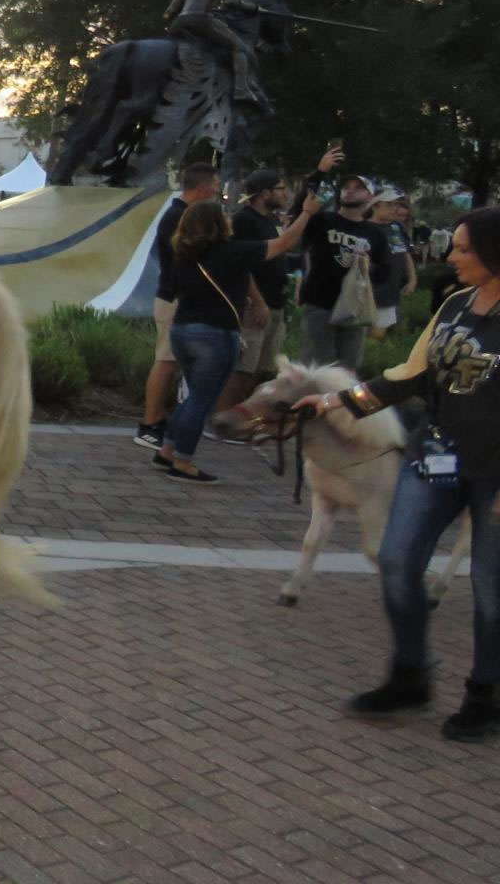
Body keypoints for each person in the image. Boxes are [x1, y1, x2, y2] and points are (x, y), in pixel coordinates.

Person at [296, 207, 500, 743]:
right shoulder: (455, 305)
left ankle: (485, 693)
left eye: (464, 248)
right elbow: (409, 375)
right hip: (437, 455)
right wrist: (337, 401)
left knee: (490, 588)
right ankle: (410, 676)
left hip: (496, 477)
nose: (451, 256)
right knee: (396, 559)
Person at [157, 190, 320, 481]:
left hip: (182, 330)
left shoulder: (182, 255)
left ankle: (167, 451)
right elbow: (284, 242)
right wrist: (307, 213)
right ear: (217, 224)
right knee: (202, 401)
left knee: (193, 396)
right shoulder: (231, 251)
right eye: (224, 214)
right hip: (216, 333)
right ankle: (182, 461)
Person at [135, 162, 222, 449]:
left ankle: (159, 418)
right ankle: (149, 424)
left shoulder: (183, 215)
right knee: (166, 360)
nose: (218, 191)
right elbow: (182, 261)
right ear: (204, 188)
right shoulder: (177, 217)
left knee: (171, 361)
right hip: (174, 298)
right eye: (216, 185)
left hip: (179, 297)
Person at [300, 147, 388, 369]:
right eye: (347, 187)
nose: (350, 191)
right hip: (321, 304)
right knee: (317, 366)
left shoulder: (375, 233)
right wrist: (320, 172)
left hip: (354, 309)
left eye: (358, 188)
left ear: (370, 197)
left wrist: (367, 265)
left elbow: (385, 272)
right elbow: (302, 204)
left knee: (347, 368)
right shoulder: (323, 221)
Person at [215, 169, 294, 415]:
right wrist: (256, 301)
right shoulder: (244, 220)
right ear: (264, 193)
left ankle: (240, 417)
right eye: (280, 188)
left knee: (260, 368)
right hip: (254, 305)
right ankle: (221, 416)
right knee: (243, 368)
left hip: (275, 302)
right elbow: (240, 265)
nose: (285, 194)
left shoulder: (269, 220)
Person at [367, 190, 417, 339]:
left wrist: (412, 279)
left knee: (380, 335)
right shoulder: (365, 228)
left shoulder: (397, 227)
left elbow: (405, 254)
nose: (393, 209)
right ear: (374, 206)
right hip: (371, 291)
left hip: (391, 291)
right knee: (369, 335)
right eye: (388, 205)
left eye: (395, 204)